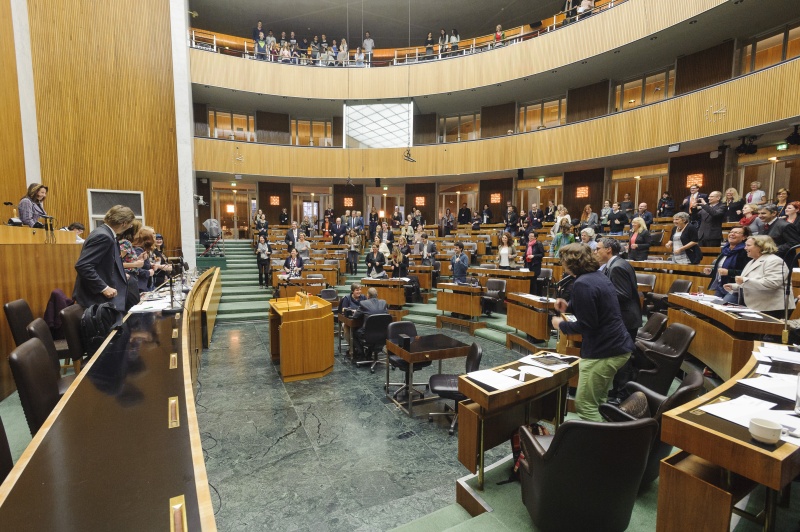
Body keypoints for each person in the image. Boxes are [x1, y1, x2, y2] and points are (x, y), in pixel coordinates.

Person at [551, 243, 634, 422]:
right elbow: (596, 305)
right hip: (616, 346)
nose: (562, 265)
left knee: (585, 405)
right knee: (598, 401)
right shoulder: (596, 276)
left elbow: (588, 325)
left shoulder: (583, 283)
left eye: (562, 261)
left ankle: (601, 446)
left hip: (604, 351)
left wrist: (561, 325)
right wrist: (569, 306)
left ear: (570, 263)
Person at [73, 205, 135, 312]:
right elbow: (83, 265)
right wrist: (103, 288)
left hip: (105, 299)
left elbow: (105, 263)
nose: (130, 227)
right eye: (130, 224)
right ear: (124, 223)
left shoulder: (105, 233)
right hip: (98, 300)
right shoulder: (103, 236)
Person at [723, 235, 794, 318]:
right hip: (757, 307)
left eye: (748, 245)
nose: (745, 248)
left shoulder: (774, 261)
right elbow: (752, 282)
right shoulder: (751, 262)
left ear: (761, 247)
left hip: (772, 309)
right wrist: (735, 286)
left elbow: (772, 283)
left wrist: (744, 280)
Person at [703, 226, 750, 302]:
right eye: (731, 232)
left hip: (734, 288)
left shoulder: (744, 252)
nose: (732, 234)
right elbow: (721, 268)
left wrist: (729, 272)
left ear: (744, 237)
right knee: (713, 308)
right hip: (721, 286)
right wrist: (712, 271)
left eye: (736, 232)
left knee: (722, 310)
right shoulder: (725, 250)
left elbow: (747, 272)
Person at [354, 287, 389, 358]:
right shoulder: (383, 302)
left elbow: (355, 316)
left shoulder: (363, 303)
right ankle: (369, 352)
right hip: (383, 334)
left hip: (367, 335)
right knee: (373, 332)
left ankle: (361, 353)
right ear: (377, 295)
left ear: (368, 295)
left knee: (353, 333)